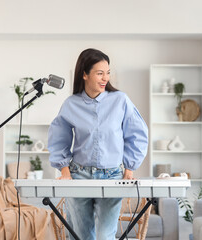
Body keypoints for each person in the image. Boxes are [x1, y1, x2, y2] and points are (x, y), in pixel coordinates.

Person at [48, 48, 148, 240]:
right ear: (84, 74)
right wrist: (65, 171)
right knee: (80, 236)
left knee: (105, 236)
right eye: (99, 73)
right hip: (78, 175)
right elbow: (58, 137)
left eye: (108, 73)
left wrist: (129, 168)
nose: (105, 78)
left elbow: (138, 133)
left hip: (112, 175)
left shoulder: (120, 100)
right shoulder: (71, 104)